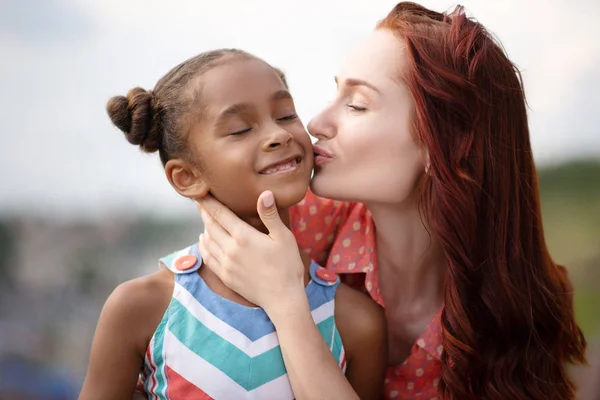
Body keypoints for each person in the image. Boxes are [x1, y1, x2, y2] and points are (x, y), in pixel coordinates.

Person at [196, 3, 587, 399]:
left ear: (442, 144)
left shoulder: (518, 313)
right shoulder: (294, 224)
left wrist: (287, 306)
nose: (316, 123)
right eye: (337, 92)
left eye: (357, 105)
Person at [78, 49, 387, 400]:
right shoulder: (142, 307)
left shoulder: (356, 322)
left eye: (286, 115)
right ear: (187, 177)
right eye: (241, 129)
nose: (279, 134)